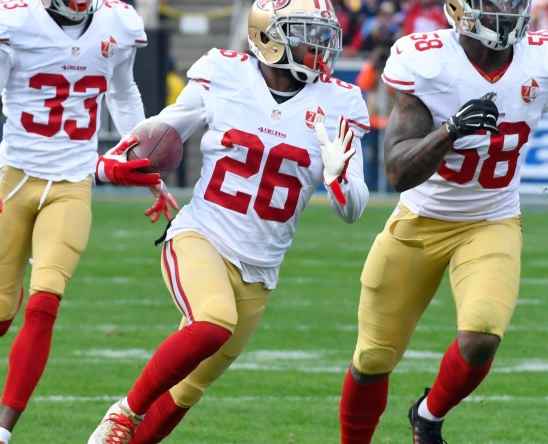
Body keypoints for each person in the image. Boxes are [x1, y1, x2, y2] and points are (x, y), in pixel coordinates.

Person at [337, 0, 548, 442]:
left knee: (481, 337)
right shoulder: (428, 62)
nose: (506, 12)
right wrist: (450, 131)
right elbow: (398, 172)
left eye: (513, 3)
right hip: (419, 222)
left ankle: (429, 415)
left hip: (491, 220)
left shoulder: (545, 57)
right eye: (495, 4)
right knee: (373, 359)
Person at [88, 0, 370, 442]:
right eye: (305, 32)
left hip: (260, 270)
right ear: (268, 37)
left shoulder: (341, 102)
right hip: (202, 235)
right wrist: (109, 164)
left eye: (322, 33)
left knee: (185, 392)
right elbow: (163, 130)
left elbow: (353, 209)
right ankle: (125, 411)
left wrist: (337, 179)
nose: (319, 45)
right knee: (214, 321)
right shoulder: (224, 73)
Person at [0, 0, 167, 443]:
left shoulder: (117, 24)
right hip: (14, 183)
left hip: (73, 183)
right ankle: (13, 286)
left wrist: (143, 160)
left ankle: (0, 434)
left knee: (45, 303)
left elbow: (123, 94)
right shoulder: (14, 21)